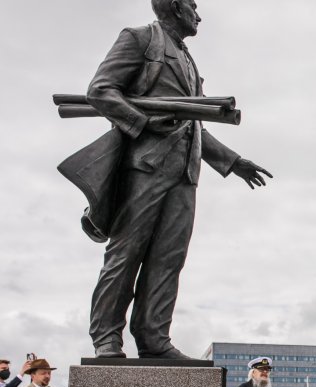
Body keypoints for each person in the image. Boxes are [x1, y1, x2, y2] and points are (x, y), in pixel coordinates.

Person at [77, 0, 272, 358]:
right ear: (175, 7)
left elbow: (191, 124)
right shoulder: (139, 39)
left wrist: (233, 162)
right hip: (144, 167)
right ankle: (106, 336)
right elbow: (101, 90)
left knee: (168, 259)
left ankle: (154, 338)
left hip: (184, 174)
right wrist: (143, 122)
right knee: (126, 253)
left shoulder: (187, 59)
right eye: (193, 6)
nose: (199, 14)